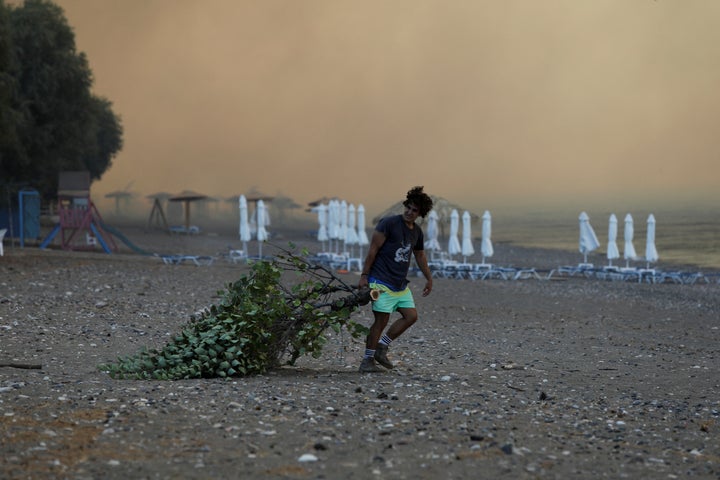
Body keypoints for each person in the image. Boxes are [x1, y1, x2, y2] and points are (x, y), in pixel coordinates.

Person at [357, 186, 434, 373]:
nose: (409, 212)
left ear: (420, 213)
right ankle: (367, 360)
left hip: (400, 284)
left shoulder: (416, 231)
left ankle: (381, 348)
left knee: (411, 316)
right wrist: (364, 276)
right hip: (380, 280)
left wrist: (429, 278)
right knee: (381, 321)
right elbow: (372, 250)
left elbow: (420, 255)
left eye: (414, 210)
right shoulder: (388, 223)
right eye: (408, 207)